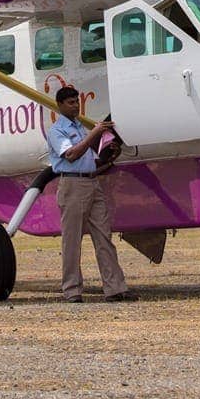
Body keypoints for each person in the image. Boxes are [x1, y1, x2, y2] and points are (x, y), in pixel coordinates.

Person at [45, 86, 134, 303]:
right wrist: (95, 133)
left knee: (104, 236)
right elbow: (72, 154)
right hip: (72, 185)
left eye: (77, 101)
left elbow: (88, 158)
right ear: (60, 105)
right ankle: (72, 290)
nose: (75, 105)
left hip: (92, 182)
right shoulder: (58, 131)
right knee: (72, 240)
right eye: (71, 102)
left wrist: (106, 155)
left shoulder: (78, 127)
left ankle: (115, 287)